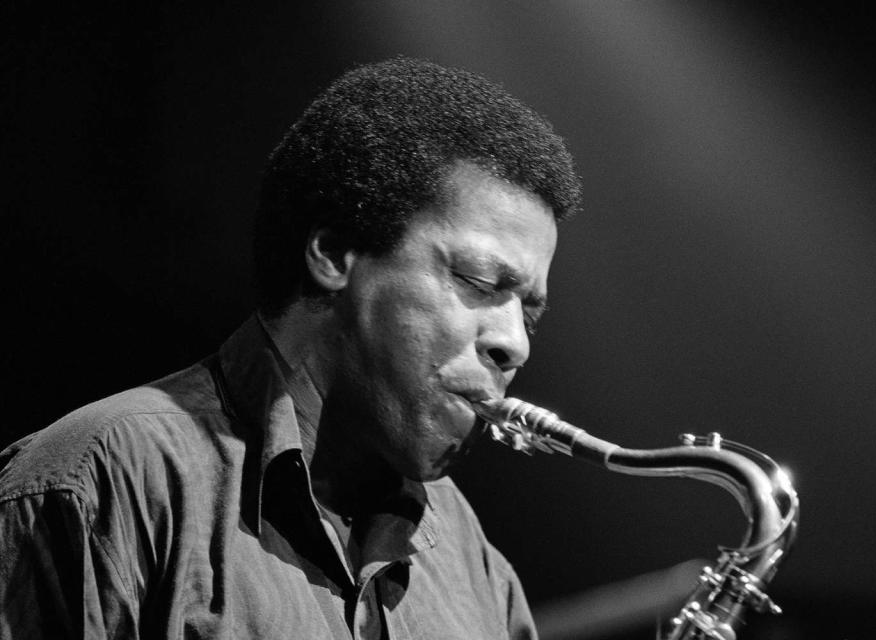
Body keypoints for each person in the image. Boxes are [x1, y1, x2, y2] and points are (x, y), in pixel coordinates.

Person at [0, 57, 581, 639]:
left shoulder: (474, 562)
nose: (515, 343)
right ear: (332, 254)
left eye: (529, 310)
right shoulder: (100, 480)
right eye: (480, 282)